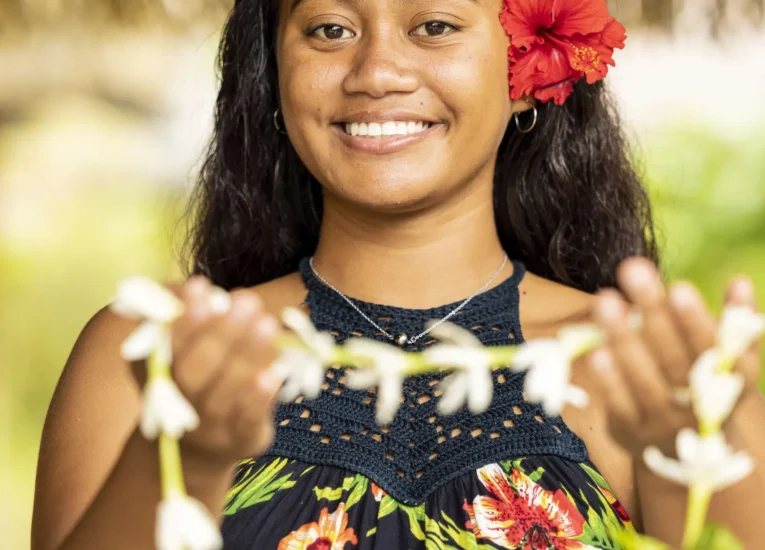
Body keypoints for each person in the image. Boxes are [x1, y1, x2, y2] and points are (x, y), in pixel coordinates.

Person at [31, 0, 765, 548]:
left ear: (526, 76)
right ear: (275, 72)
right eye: (329, 29)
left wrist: (689, 455)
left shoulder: (642, 369)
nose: (376, 72)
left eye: (435, 26)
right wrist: (184, 463)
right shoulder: (149, 350)